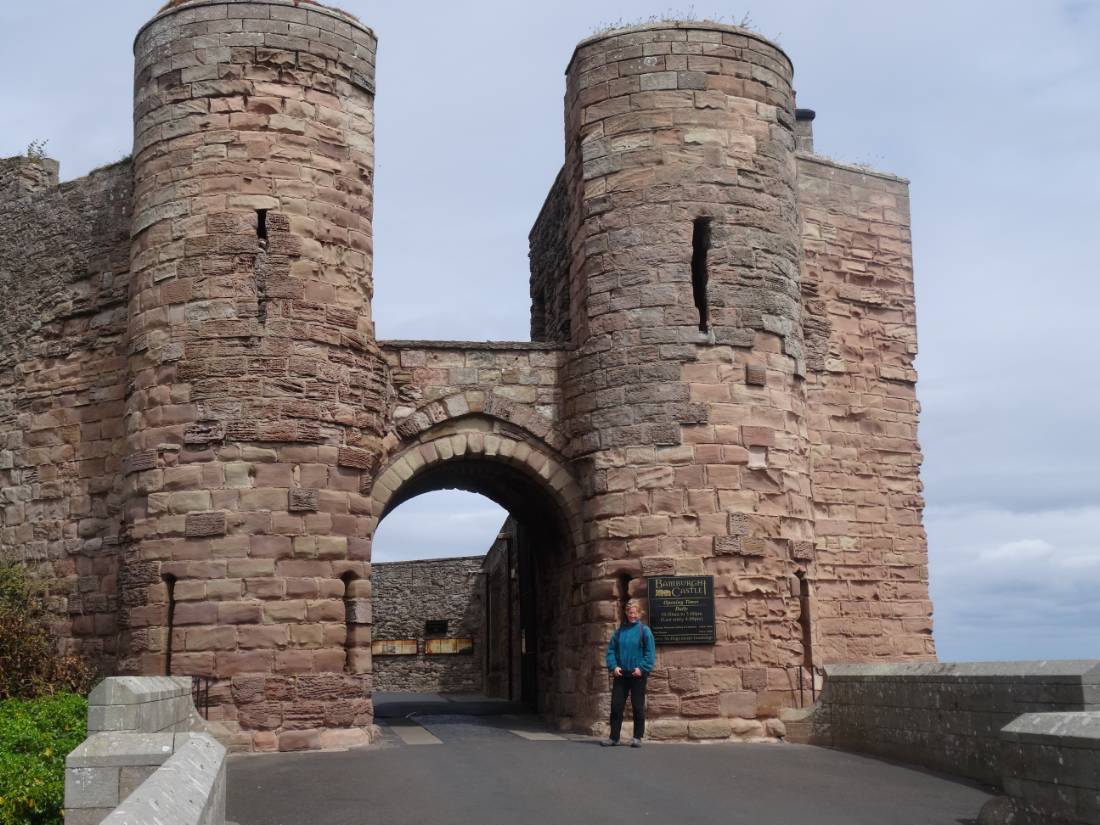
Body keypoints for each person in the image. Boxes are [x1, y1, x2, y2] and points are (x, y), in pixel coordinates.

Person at [602, 599, 655, 747]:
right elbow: (611, 651)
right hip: (621, 674)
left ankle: (637, 737)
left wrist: (642, 668)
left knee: (637, 707)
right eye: (630, 613)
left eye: (635, 613)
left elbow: (650, 653)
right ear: (626, 613)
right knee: (616, 706)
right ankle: (614, 737)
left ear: (639, 613)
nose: (632, 615)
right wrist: (613, 666)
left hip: (637, 674)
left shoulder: (644, 631)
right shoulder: (619, 632)